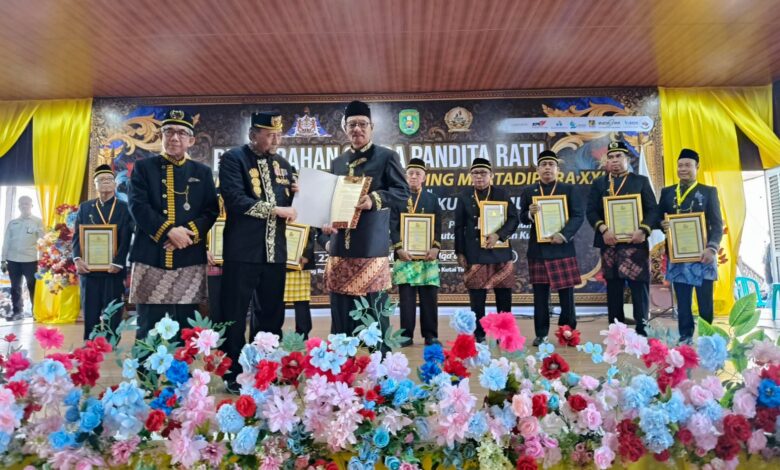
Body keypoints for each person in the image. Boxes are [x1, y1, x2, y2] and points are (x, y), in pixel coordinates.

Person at [218, 111, 296, 391]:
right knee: (235, 314)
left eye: (279, 134)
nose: (276, 140)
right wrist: (275, 210)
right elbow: (235, 199)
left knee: (271, 314)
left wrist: (300, 194)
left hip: (275, 252)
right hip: (242, 252)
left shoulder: (284, 165)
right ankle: (233, 372)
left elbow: (294, 206)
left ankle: (266, 368)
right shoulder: (233, 159)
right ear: (253, 135)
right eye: (269, 134)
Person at [127, 109, 219, 342]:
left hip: (188, 255)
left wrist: (186, 235)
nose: (174, 137)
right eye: (169, 132)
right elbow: (137, 206)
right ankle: (147, 366)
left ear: (191, 140)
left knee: (186, 324)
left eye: (181, 133)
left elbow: (211, 210)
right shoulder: (143, 168)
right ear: (161, 136)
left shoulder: (202, 172)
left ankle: (182, 367)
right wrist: (168, 231)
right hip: (151, 255)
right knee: (149, 325)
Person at [320, 100, 409, 336]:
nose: (357, 129)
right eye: (352, 125)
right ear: (344, 128)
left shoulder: (386, 156)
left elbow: (402, 192)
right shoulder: (337, 162)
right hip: (340, 247)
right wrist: (326, 224)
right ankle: (342, 356)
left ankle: (380, 358)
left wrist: (374, 199)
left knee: (375, 315)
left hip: (370, 247)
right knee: (341, 314)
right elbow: (330, 201)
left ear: (372, 127)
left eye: (362, 124)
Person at [586, 141, 658, 336]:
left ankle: (642, 328)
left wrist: (643, 230)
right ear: (606, 161)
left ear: (627, 159)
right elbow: (591, 211)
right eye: (611, 157)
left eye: (619, 156)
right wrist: (603, 229)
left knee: (639, 287)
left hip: (636, 243)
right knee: (614, 287)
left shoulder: (640, 181)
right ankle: (616, 329)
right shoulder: (600, 184)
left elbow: (653, 210)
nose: (615, 160)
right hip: (610, 243)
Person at [656, 148, 723, 344]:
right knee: (683, 301)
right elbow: (657, 217)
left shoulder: (708, 192)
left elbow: (717, 224)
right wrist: (661, 223)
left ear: (697, 167)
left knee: (705, 302)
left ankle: (707, 337)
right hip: (678, 256)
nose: (683, 169)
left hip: (703, 255)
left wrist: (712, 248)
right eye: (680, 165)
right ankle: (685, 335)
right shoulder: (668, 192)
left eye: (687, 165)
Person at [520, 150, 584, 346]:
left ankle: (568, 334)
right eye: (543, 164)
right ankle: (541, 334)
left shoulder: (569, 189)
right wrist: (529, 214)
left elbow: (578, 216)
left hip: (562, 248)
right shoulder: (529, 191)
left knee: (567, 296)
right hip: (538, 250)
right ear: (537, 169)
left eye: (551, 164)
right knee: (540, 296)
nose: (547, 168)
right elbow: (522, 218)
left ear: (557, 169)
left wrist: (563, 235)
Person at [454, 157, 519, 342]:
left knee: (504, 297)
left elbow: (514, 219)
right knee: (477, 299)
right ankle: (479, 335)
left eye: (483, 173)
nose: (479, 176)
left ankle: (503, 335)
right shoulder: (464, 196)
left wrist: (499, 235)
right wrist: (460, 252)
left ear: (491, 175)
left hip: (500, 252)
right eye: (475, 173)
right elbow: (458, 227)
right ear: (470, 176)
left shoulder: (502, 194)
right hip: (475, 254)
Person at [72, 164, 133, 339]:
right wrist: (77, 259)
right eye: (101, 180)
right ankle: (91, 339)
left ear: (115, 184)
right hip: (89, 267)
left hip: (113, 267)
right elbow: (76, 236)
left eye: (109, 179)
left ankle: (111, 340)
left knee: (113, 306)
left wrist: (118, 262)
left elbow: (126, 237)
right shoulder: (85, 207)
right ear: (95, 185)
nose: (105, 182)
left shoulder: (124, 207)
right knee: (89, 305)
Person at [390, 158, 442, 347]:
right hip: (405, 257)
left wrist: (436, 247)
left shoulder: (432, 199)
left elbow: (438, 226)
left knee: (429, 298)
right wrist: (399, 248)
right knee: (406, 299)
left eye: (417, 173)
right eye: (410, 173)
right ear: (405, 176)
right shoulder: (397, 198)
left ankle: (430, 335)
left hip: (428, 257)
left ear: (424, 177)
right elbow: (393, 226)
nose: (413, 176)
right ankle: (406, 335)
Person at [1, 195, 44, 320]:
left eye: (27, 203)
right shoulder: (13, 223)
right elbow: (6, 241)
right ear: (19, 206)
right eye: (22, 203)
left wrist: (42, 260)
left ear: (31, 205)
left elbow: (43, 241)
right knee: (15, 287)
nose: (24, 206)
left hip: (30, 260)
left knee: (32, 286)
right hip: (12, 260)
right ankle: (18, 312)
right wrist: (3, 260)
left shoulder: (38, 221)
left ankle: (36, 312)